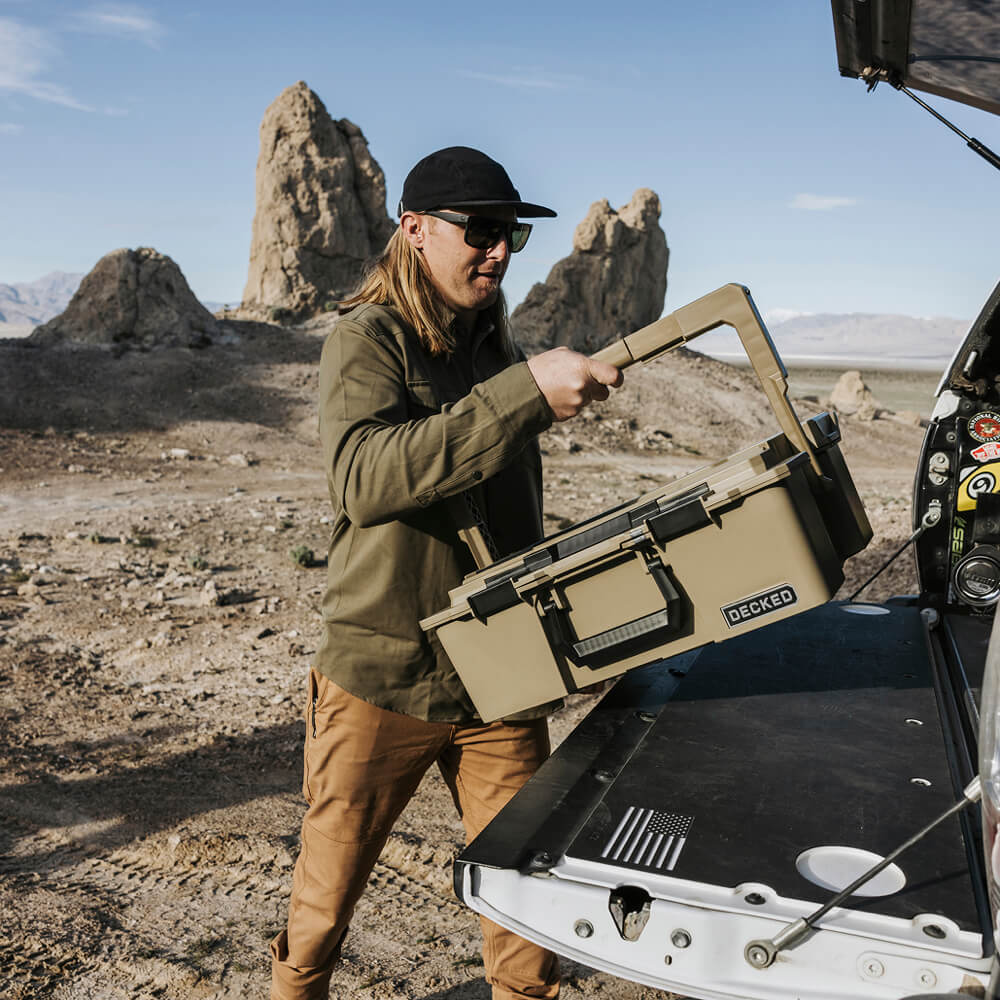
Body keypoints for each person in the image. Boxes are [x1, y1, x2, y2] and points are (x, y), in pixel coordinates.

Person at [270, 145, 623, 1000]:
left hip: (501, 675)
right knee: (323, 906)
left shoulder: (495, 344)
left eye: (512, 235)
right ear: (416, 228)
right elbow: (363, 478)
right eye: (481, 231)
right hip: (382, 673)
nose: (499, 251)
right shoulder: (367, 338)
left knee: (525, 904)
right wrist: (522, 395)